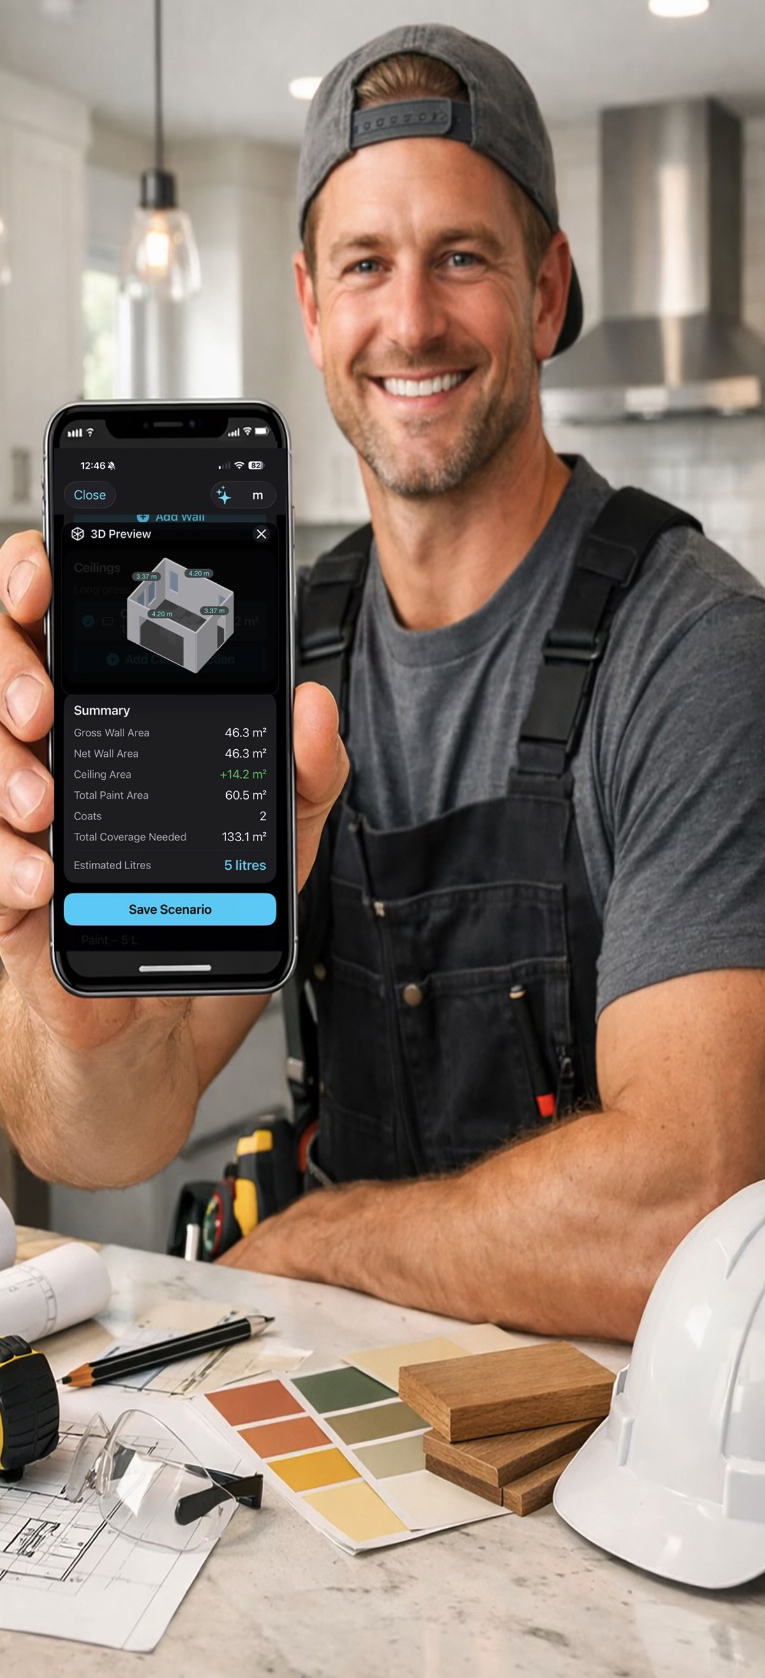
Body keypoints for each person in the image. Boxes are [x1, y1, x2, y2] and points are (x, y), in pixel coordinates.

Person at [1, 25, 764, 1342]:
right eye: (366, 265)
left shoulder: (692, 649)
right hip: (339, 1415)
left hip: (610, 1456)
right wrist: (59, 1000)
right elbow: (104, 1135)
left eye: (460, 257)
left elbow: (687, 1205)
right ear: (309, 303)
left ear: (542, 290)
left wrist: (329, 1233)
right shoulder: (271, 653)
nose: (409, 320)